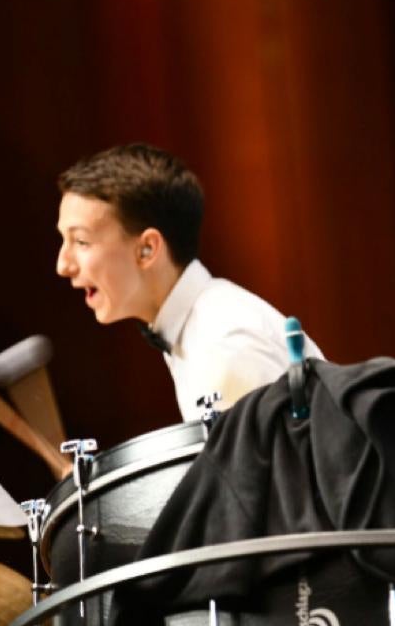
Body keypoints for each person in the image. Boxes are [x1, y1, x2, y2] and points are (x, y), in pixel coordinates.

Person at [55, 143, 323, 419]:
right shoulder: (196, 331)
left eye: (81, 241)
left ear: (147, 249)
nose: (63, 265)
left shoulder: (224, 345)